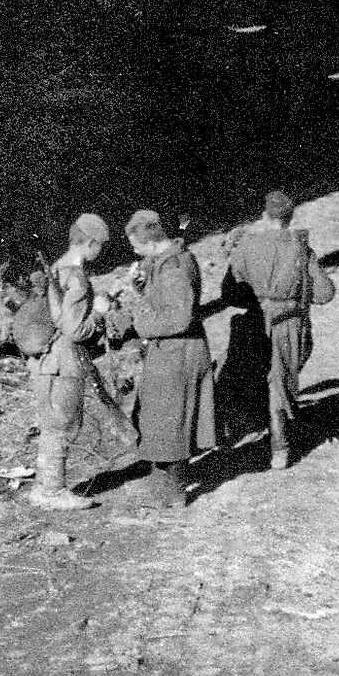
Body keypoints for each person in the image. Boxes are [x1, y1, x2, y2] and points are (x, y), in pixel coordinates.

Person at [225, 191, 337, 469]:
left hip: (257, 321)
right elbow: (325, 293)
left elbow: (231, 290)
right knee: (280, 381)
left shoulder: (246, 245)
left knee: (269, 379)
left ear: (264, 215)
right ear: (291, 217)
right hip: (291, 324)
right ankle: (280, 446)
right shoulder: (300, 247)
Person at [116, 210, 215, 508]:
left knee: (172, 421)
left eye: (136, 245)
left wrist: (138, 325)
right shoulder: (166, 260)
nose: (134, 251)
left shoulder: (174, 268)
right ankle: (164, 484)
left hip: (178, 352)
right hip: (170, 351)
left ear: (151, 242)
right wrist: (141, 287)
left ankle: (174, 493)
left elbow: (180, 317)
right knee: (159, 419)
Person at [27, 213, 113, 511]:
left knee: (53, 423)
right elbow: (75, 329)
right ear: (88, 243)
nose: (100, 251)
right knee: (63, 423)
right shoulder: (75, 276)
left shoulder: (56, 268)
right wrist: (99, 313)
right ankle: (51, 492)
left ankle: (45, 487)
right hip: (64, 361)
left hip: (46, 361)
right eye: (99, 246)